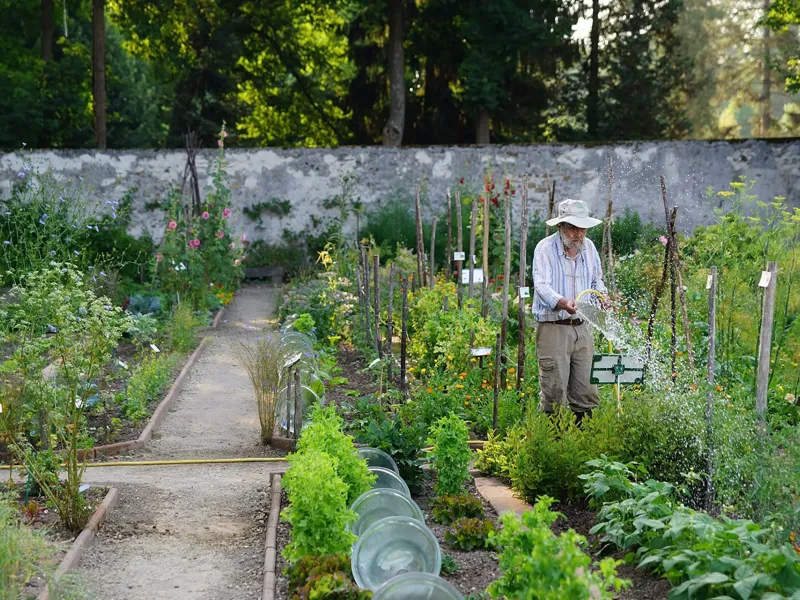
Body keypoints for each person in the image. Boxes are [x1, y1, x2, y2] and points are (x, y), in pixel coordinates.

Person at [532, 199, 607, 423]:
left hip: (582, 328)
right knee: (554, 392)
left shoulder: (589, 248)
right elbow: (541, 286)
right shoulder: (545, 249)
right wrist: (562, 302)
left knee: (587, 391)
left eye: (582, 228)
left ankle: (583, 438)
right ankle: (551, 439)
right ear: (560, 226)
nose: (578, 234)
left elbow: (597, 281)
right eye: (573, 227)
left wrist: (602, 297)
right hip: (554, 327)